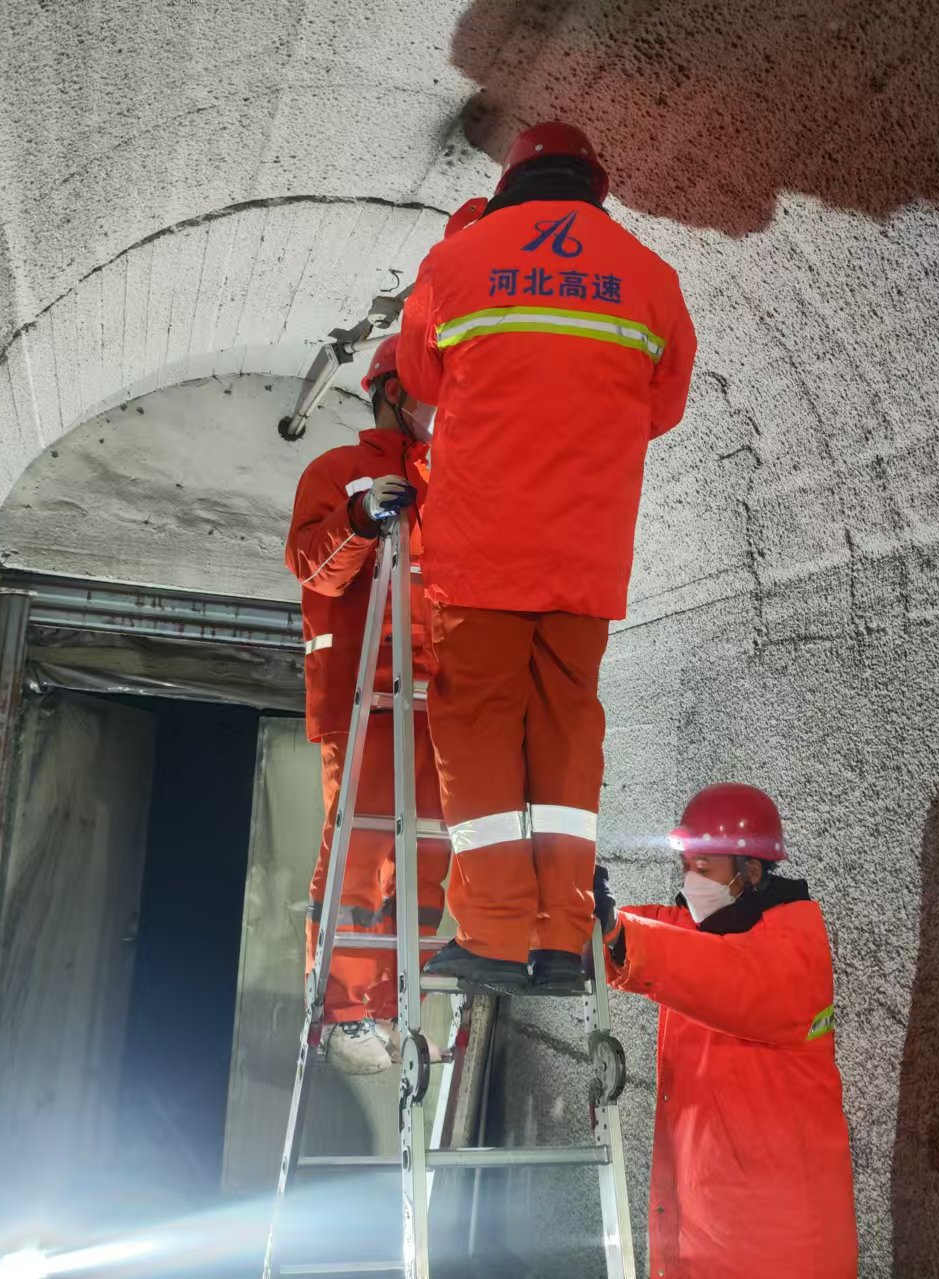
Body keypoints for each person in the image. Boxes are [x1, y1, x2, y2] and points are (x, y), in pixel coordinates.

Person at [397, 122, 697, 994]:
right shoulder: (651, 277)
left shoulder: (457, 261)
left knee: (479, 727)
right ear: (595, 186)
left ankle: (494, 930)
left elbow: (420, 377)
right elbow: (663, 407)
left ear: (509, 184)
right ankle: (562, 936)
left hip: (483, 550)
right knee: (566, 733)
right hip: (585, 555)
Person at [594, 782, 858, 1277]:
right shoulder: (706, 932)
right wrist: (583, 924)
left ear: (750, 872)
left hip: (782, 1251)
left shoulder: (794, 946)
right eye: (686, 866)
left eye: (704, 867)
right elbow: (640, 939)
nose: (690, 879)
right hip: (714, 1237)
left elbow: (720, 974)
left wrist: (618, 936)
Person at [283, 334, 444, 1074]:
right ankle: (347, 1009)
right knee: (363, 853)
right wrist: (358, 516)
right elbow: (312, 568)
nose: (439, 406)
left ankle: (404, 1004)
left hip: (440, 697)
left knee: (430, 852)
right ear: (393, 393)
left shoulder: (451, 476)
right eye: (429, 390)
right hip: (364, 694)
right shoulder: (337, 472)